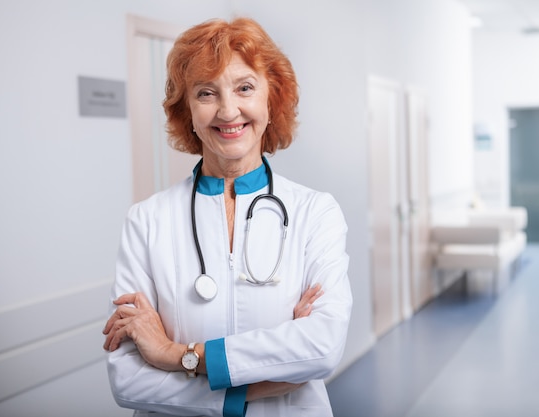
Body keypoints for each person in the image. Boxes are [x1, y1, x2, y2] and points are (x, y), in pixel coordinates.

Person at [102, 17, 352, 417]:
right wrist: (249, 389)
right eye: (206, 93)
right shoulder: (146, 221)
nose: (228, 110)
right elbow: (129, 379)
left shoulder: (315, 212)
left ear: (272, 98)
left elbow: (321, 347)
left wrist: (175, 354)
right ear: (188, 110)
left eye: (245, 88)